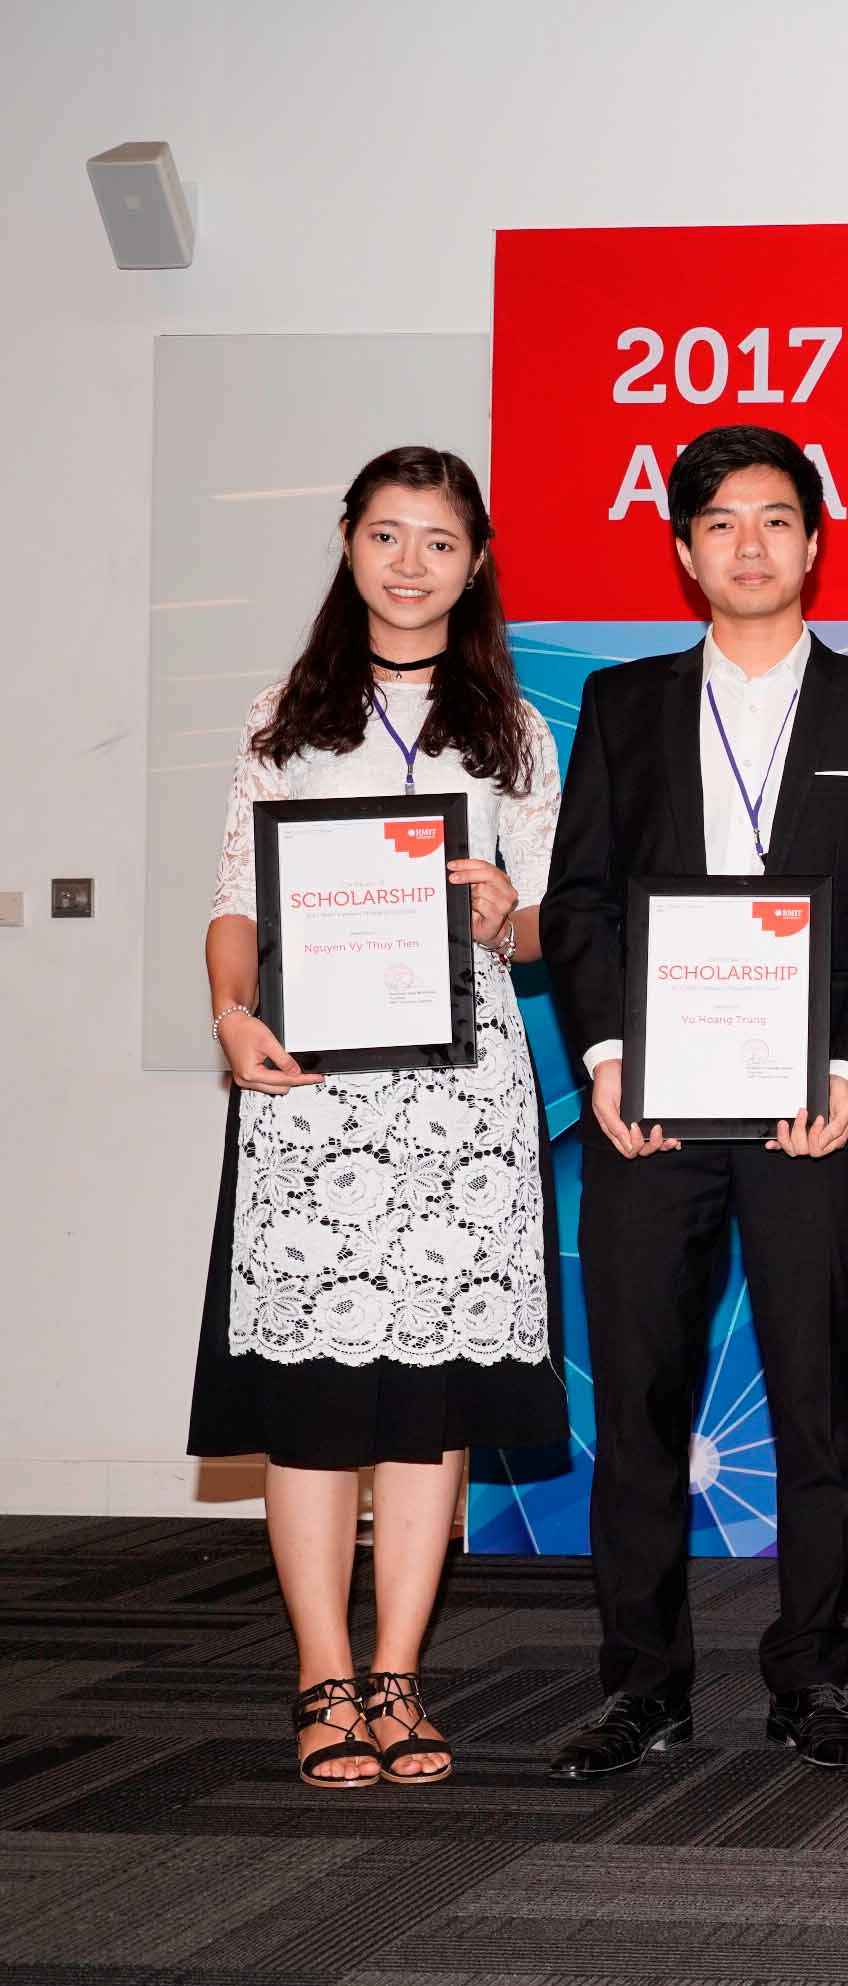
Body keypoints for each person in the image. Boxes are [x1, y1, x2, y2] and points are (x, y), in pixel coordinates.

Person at [539, 425, 848, 1780]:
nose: (751, 545)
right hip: (650, 1116)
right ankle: (644, 1686)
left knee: (820, 1404)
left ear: (815, 544)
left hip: (810, 1119)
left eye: (777, 520)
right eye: (721, 523)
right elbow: (584, 898)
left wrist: (846, 1076)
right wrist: (604, 1062)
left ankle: (811, 1680)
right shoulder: (623, 705)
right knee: (641, 1405)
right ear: (682, 550)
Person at [191, 445, 561, 1787]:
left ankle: (399, 1677)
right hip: (312, 1092)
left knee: (425, 1400)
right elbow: (235, 900)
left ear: (476, 560)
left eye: (441, 541)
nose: (412, 563)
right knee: (310, 1407)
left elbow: (543, 927)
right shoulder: (280, 717)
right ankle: (320, 1678)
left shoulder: (511, 730)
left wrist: (502, 909)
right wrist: (234, 1014)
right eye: (389, 535)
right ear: (350, 544)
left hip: (462, 1103)